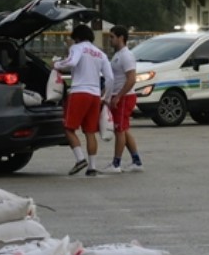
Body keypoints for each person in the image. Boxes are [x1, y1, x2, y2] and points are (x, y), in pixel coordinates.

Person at [53, 23, 113, 177]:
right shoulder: (100, 53)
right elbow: (110, 78)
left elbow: (71, 63)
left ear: (77, 38)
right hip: (94, 96)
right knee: (90, 131)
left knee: (68, 128)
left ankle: (80, 159)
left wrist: (57, 64)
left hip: (79, 92)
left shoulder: (77, 48)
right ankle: (92, 167)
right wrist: (105, 96)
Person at [101, 25, 143, 174]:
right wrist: (106, 95)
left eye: (112, 37)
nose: (110, 39)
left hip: (124, 97)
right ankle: (136, 161)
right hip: (118, 96)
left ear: (121, 38)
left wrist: (118, 96)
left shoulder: (126, 55)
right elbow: (113, 78)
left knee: (119, 130)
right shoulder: (118, 55)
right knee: (123, 130)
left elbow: (131, 79)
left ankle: (116, 164)